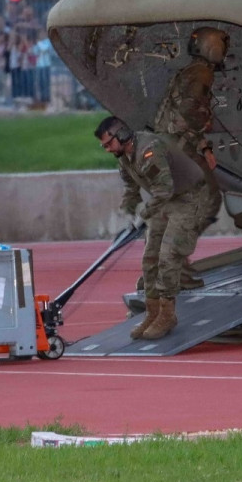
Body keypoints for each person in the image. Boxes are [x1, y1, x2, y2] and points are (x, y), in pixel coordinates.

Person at [95, 115, 208, 341]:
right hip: (164, 201)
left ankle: (167, 315)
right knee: (150, 257)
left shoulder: (149, 150)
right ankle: (153, 311)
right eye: (104, 146)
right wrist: (126, 213)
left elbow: (164, 190)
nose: (107, 149)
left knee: (168, 255)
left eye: (109, 144)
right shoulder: (124, 157)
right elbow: (131, 188)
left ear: (122, 135)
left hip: (186, 197)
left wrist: (143, 215)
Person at [153, 26, 230, 288]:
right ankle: (175, 268)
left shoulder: (189, 71)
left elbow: (180, 112)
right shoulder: (202, 73)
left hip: (172, 145)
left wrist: (204, 147)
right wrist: (203, 130)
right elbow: (189, 110)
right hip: (179, 147)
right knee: (206, 201)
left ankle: (162, 269)